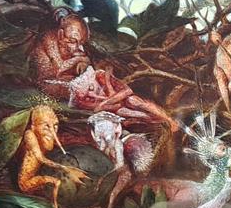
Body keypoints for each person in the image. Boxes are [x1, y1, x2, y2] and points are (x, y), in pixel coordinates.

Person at [31, 10, 176, 130]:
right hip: (52, 84)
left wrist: (83, 63)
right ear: (60, 34)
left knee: (130, 102)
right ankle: (159, 121)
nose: (77, 48)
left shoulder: (100, 75)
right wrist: (77, 60)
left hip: (86, 87)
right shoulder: (49, 40)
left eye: (80, 43)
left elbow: (85, 62)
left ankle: (164, 120)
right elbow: (59, 71)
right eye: (73, 41)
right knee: (120, 106)